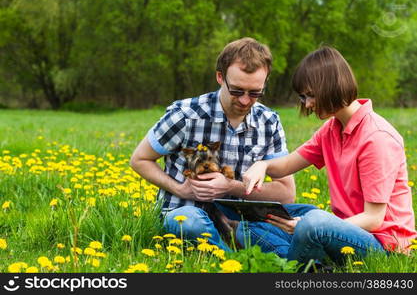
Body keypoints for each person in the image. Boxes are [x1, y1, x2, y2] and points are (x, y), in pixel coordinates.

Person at [240, 45, 417, 264]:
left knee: (311, 222)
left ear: (332, 87)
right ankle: (312, 259)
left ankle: (299, 265)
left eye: (311, 96)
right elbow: (287, 165)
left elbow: (373, 219)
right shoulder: (332, 129)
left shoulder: (377, 137)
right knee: (256, 218)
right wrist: (262, 166)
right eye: (303, 97)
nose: (308, 104)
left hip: (383, 246)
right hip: (342, 228)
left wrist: (307, 225)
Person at [130, 37, 296, 251]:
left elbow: (286, 192)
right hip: (189, 212)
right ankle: (232, 261)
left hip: (243, 222)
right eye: (237, 91)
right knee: (186, 222)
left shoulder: (268, 121)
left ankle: (292, 262)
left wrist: (231, 187)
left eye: (255, 93)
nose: (245, 100)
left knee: (297, 222)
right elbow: (140, 159)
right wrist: (181, 189)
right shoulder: (186, 114)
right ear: (220, 77)